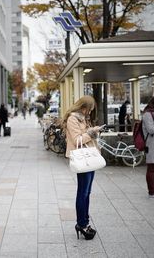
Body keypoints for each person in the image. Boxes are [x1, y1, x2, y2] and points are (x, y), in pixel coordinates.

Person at [64, 96, 103, 240]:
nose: (90, 112)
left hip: (89, 159)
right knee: (83, 192)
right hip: (83, 159)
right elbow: (77, 140)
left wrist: (93, 130)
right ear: (83, 107)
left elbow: (84, 135)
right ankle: (81, 223)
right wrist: (91, 133)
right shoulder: (72, 119)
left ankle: (84, 222)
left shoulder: (83, 119)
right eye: (89, 109)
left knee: (87, 192)